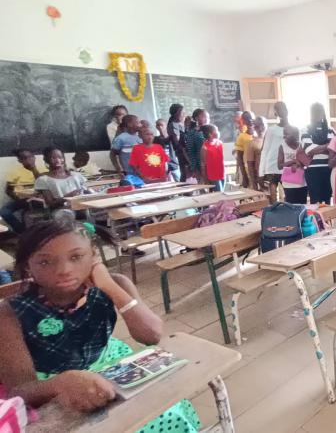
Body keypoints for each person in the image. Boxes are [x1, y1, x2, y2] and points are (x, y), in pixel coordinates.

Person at [0, 220, 201, 432]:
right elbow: (20, 391)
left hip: (109, 361)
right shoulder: (9, 312)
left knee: (165, 411)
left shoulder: (116, 284)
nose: (64, 270)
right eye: (45, 262)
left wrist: (109, 285)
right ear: (27, 266)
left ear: (94, 256)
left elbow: (152, 335)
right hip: (50, 384)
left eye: (76, 257)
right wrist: (61, 382)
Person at [1, 149, 46, 234]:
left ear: (34, 157)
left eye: (30, 157)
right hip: (23, 199)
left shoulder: (43, 169)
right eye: (24, 158)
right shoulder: (15, 172)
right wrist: (18, 198)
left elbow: (44, 184)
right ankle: (22, 231)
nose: (28, 160)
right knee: (4, 212)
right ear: (20, 160)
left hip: (40, 199)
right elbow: (8, 190)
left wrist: (33, 169)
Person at [301, 103, 336, 204]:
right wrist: (327, 146)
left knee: (328, 200)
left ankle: (327, 215)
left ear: (323, 113)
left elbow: (335, 148)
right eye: (314, 111)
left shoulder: (331, 130)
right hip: (312, 171)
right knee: (315, 201)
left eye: (319, 111)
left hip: (328, 170)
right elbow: (309, 150)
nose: (317, 114)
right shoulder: (305, 130)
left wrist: (317, 148)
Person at [259, 102, 289, 204]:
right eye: (279, 110)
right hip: (272, 167)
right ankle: (274, 213)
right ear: (276, 114)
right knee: (273, 199)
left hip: (286, 166)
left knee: (288, 196)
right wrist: (261, 172)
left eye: (283, 109)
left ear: (287, 111)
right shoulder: (271, 130)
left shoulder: (294, 129)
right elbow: (265, 150)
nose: (282, 112)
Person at [277, 126, 307, 204]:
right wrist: (293, 161)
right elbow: (279, 166)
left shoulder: (302, 145)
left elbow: (306, 162)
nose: (284, 136)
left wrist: (298, 164)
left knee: (302, 206)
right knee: (290, 206)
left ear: (295, 135)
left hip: (302, 183)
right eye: (284, 134)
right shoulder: (282, 146)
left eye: (287, 134)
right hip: (288, 184)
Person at [183, 110, 209, 182]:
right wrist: (194, 169)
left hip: (214, 164)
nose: (207, 119)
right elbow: (191, 152)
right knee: (204, 186)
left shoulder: (212, 129)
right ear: (197, 118)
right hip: (200, 166)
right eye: (204, 117)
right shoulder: (192, 133)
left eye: (208, 117)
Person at [200, 124, 225, 192]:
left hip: (222, 173)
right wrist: (205, 178)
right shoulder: (204, 147)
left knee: (222, 192)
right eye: (216, 131)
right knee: (219, 193)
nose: (218, 132)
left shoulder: (220, 143)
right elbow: (203, 164)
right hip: (213, 175)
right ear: (210, 134)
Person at [166, 104, 188, 181]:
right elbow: (177, 140)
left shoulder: (181, 124)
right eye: (182, 113)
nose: (184, 115)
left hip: (186, 150)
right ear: (175, 114)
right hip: (181, 151)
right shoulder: (173, 125)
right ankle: (184, 188)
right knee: (185, 172)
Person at [234, 111, 255, 189]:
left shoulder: (259, 134)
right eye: (247, 119)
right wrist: (244, 175)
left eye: (251, 118)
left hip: (258, 168)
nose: (250, 120)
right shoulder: (241, 136)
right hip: (246, 169)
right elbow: (239, 157)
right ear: (243, 121)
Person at [246, 116, 267, 192]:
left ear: (266, 125)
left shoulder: (272, 140)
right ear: (254, 127)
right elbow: (250, 165)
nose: (260, 128)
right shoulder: (252, 143)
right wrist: (254, 184)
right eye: (257, 126)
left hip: (273, 177)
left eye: (262, 125)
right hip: (260, 178)